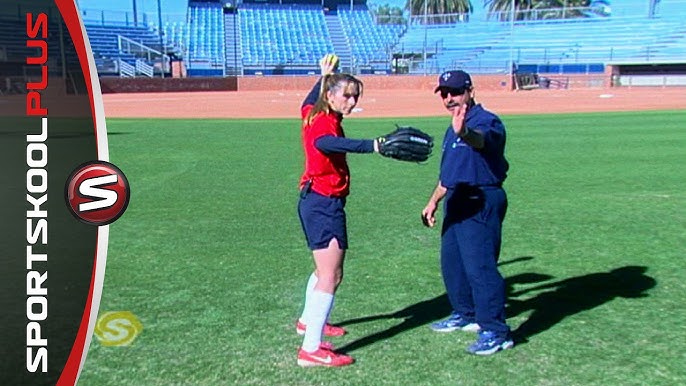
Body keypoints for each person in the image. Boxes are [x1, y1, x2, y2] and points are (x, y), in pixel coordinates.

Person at [295, 55, 381, 367]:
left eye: (356, 95)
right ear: (330, 96)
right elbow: (326, 144)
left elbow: (308, 100)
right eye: (347, 94)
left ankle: (307, 321)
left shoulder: (313, 111)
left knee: (324, 271)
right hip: (323, 203)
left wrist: (324, 75)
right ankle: (311, 350)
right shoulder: (323, 122)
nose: (352, 100)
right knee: (331, 275)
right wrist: (374, 145)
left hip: (315, 200)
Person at [421, 70, 513, 356]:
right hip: (457, 199)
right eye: (444, 93)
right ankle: (465, 313)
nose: (449, 98)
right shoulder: (452, 128)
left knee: (480, 267)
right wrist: (433, 200)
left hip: (481, 197)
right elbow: (449, 173)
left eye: (455, 92)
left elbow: (481, 140)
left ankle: (496, 331)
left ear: (470, 90)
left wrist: (465, 132)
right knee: (453, 264)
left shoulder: (486, 121)